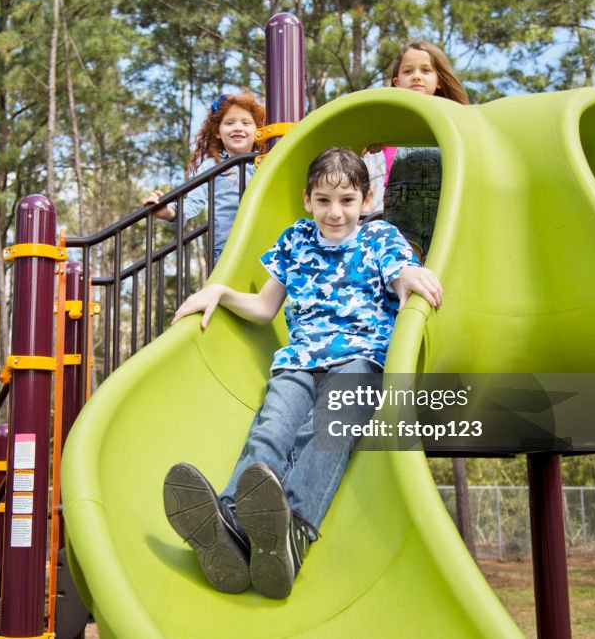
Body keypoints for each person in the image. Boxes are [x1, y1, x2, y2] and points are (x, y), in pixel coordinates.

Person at [162, 147, 442, 599]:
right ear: (308, 199)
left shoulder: (381, 238)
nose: (335, 212)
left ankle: (291, 534)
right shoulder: (295, 239)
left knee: (325, 430)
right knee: (269, 431)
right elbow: (264, 307)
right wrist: (219, 291)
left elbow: (399, 273)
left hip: (362, 359)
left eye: (347, 200)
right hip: (298, 360)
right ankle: (230, 527)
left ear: (366, 201)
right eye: (324, 199)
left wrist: (409, 276)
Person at [142, 91, 266, 264]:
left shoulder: (266, 163)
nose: (238, 127)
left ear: (258, 130)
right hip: (227, 249)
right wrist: (169, 212)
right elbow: (193, 201)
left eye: (246, 123)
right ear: (217, 132)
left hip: (266, 246)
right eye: (229, 123)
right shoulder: (213, 166)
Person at [371, 40, 469, 258]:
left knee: (442, 267)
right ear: (396, 82)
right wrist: (372, 138)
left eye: (425, 70)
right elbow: (354, 144)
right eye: (408, 71)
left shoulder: (455, 118)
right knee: (404, 266)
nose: (417, 76)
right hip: (402, 211)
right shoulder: (388, 119)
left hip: (445, 208)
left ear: (439, 81)